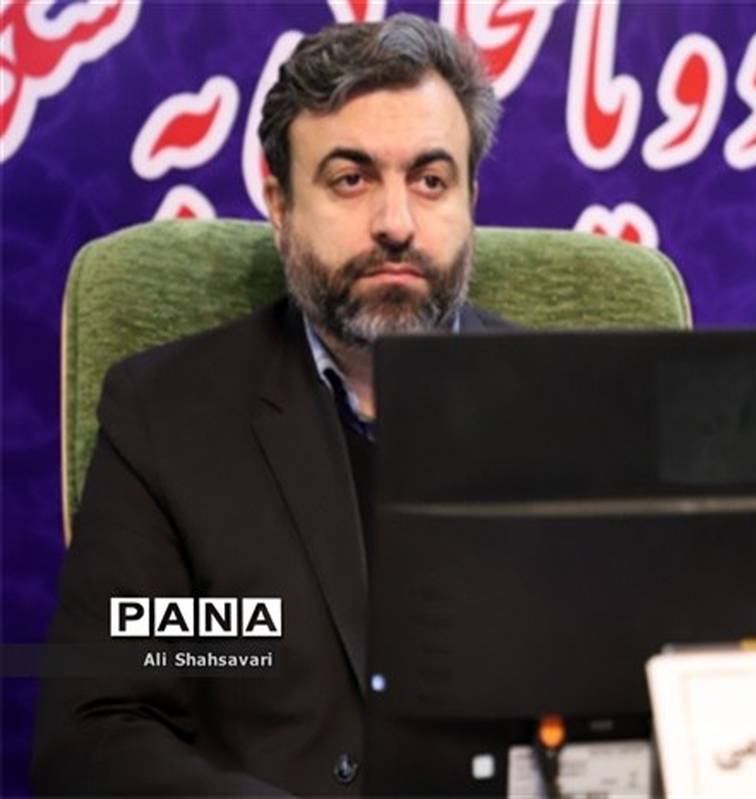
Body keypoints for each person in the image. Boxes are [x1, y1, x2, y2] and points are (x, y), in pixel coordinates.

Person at [33, 12, 508, 795]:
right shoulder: (166, 418)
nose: (397, 223)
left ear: (471, 198)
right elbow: (96, 731)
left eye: (431, 180)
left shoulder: (575, 409)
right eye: (351, 178)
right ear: (279, 201)